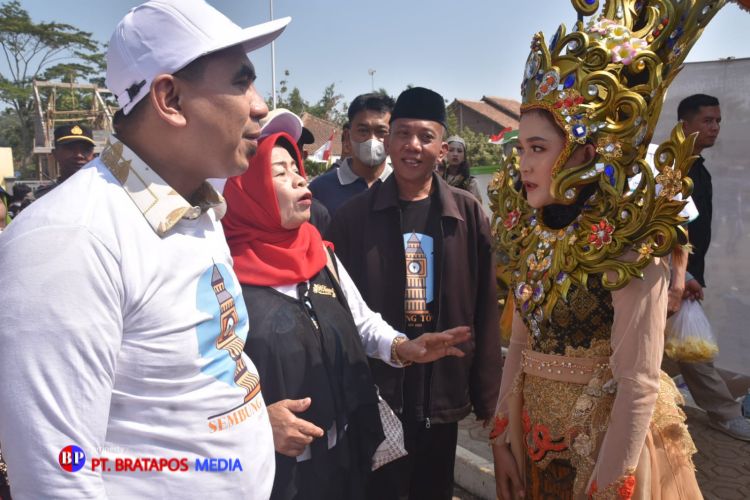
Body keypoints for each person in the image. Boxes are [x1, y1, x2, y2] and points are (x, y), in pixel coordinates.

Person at [0, 1, 290, 498]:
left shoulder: (197, 208)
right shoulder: (70, 240)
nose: (261, 106)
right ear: (170, 99)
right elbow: (56, 477)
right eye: (242, 82)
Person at [489, 3, 723, 498]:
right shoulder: (533, 235)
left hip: (607, 447)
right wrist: (501, 437)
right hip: (534, 439)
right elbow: (521, 350)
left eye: (538, 148)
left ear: (585, 152)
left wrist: (610, 484)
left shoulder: (627, 244)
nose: (523, 164)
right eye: (521, 149)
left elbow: (638, 382)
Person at [221, 131, 471, 500]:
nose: (299, 179)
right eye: (280, 173)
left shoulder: (320, 255)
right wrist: (254, 423)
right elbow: (201, 381)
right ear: (249, 192)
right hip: (273, 472)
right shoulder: (223, 277)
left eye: (296, 168)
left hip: (343, 458)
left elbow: (361, 321)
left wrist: (403, 347)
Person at [326, 87, 503, 500]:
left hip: (442, 390)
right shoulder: (352, 219)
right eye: (403, 134)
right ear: (389, 141)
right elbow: (336, 313)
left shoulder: (466, 213)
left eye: (426, 136)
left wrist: (488, 398)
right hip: (377, 396)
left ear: (442, 149)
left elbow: (485, 309)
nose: (413, 145)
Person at [672, 94, 750, 441]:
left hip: (685, 276)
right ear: (684, 125)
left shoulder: (697, 169)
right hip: (669, 276)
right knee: (690, 351)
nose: (715, 127)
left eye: (717, 121)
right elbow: (666, 231)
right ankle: (725, 414)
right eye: (707, 121)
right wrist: (682, 276)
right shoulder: (673, 170)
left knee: (688, 346)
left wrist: (691, 275)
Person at [310, 93, 394, 217]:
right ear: (347, 136)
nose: (372, 140)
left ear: (393, 136)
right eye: (363, 130)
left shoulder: (404, 187)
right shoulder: (319, 189)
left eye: (381, 131)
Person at [35, 123, 96, 198]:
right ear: (55, 154)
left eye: (85, 150)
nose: (78, 155)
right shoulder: (41, 198)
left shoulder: (105, 193)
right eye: (70, 148)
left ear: (93, 156)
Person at [442, 136, 482, 203]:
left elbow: (476, 206)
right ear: (445, 153)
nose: (455, 154)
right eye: (451, 150)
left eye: (459, 151)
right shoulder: (439, 177)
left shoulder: (471, 182)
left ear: (464, 156)